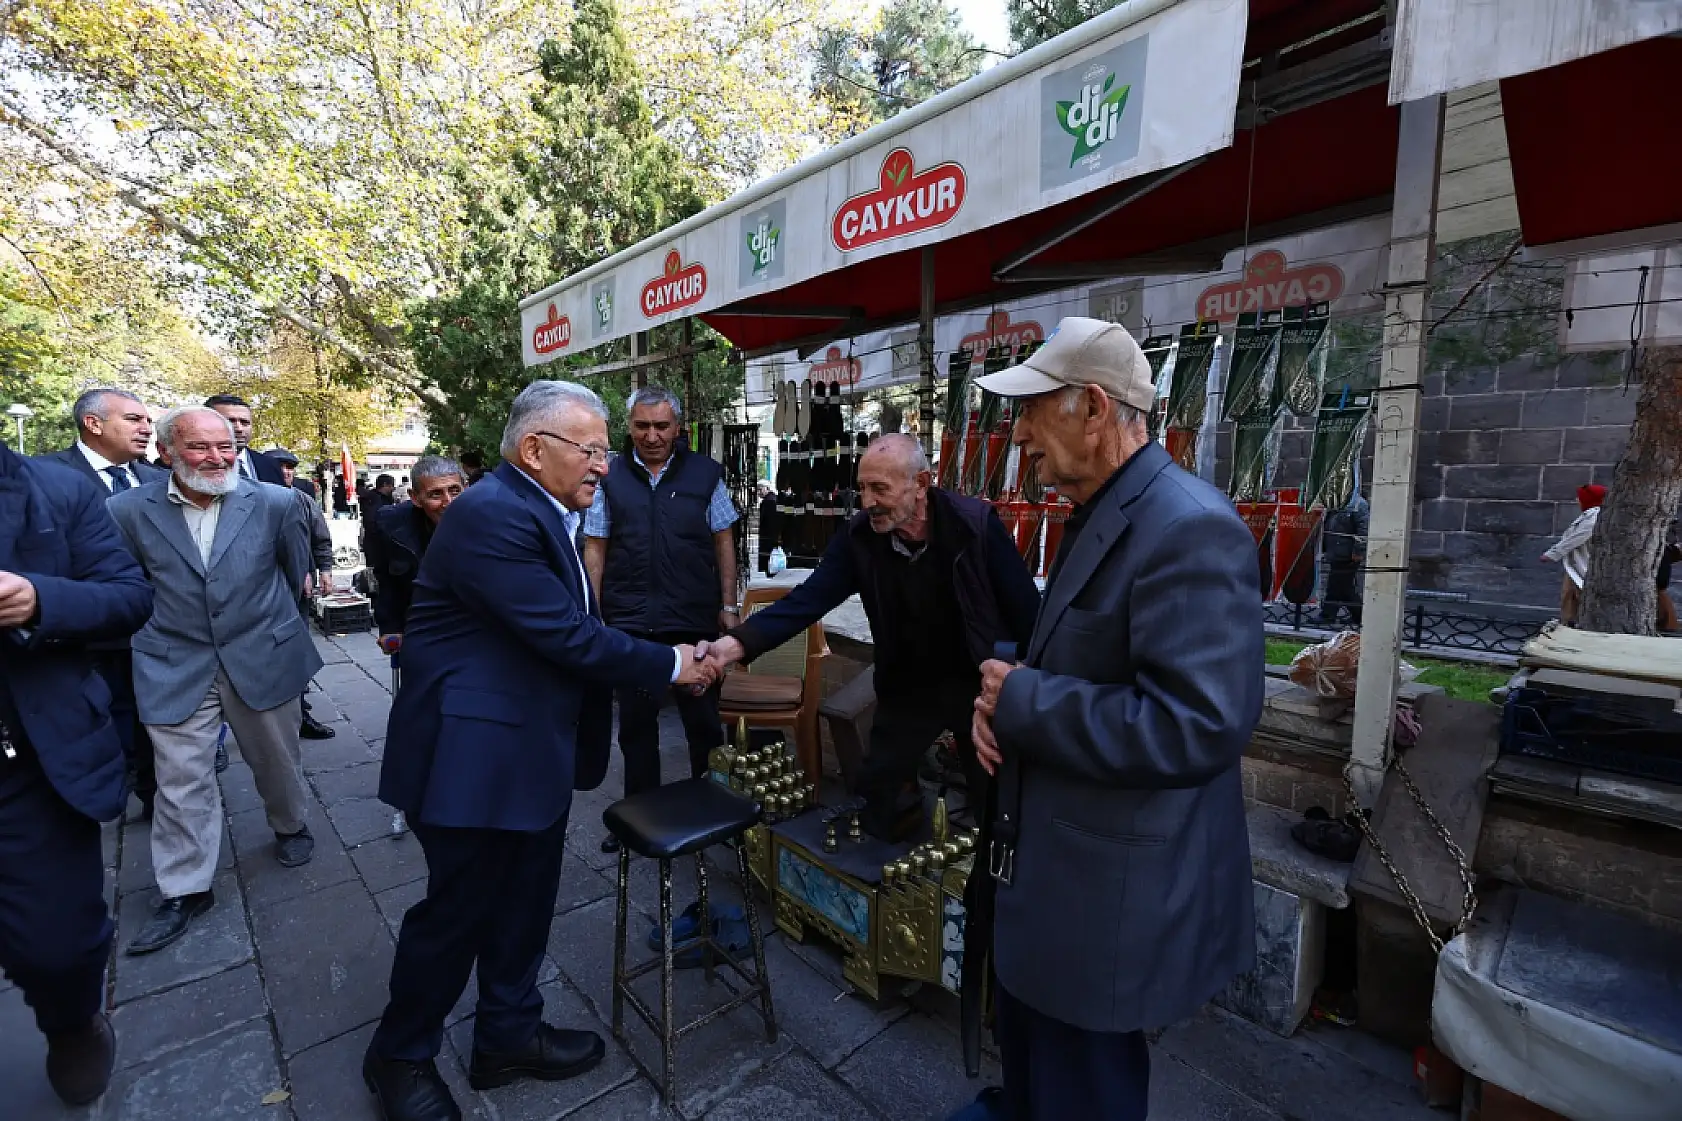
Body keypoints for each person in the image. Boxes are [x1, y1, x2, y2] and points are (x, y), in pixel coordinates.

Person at [364, 381, 718, 1121]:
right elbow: (565, 633)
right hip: (471, 757)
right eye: (590, 448)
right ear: (534, 448)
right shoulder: (491, 513)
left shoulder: (548, 508)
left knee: (525, 904)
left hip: (529, 750)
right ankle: (398, 1055)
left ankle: (507, 1033)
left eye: (602, 447)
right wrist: (674, 663)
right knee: (458, 913)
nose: (603, 462)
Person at [958, 317, 1263, 1121]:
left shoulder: (1189, 525)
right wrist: (1005, 697)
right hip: (1058, 890)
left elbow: (1198, 722)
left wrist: (1023, 700)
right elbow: (1078, 654)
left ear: (1093, 408)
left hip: (1106, 908)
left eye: (1034, 409)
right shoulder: (1101, 507)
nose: (1019, 432)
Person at [701, 433, 1040, 841]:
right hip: (909, 683)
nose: (867, 501)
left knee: (996, 800)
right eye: (862, 488)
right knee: (877, 789)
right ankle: (881, 878)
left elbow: (1027, 615)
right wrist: (731, 646)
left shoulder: (975, 526)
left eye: (880, 489)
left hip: (977, 684)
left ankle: (992, 890)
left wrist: (1018, 681)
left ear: (921, 484)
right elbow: (807, 601)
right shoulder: (860, 537)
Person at [107, 407, 322, 955]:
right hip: (173, 662)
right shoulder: (126, 510)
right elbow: (125, 586)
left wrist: (276, 633)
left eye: (224, 446)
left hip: (262, 657)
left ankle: (290, 825)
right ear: (167, 453)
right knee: (180, 780)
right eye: (200, 447)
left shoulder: (276, 502)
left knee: (276, 759)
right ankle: (184, 887)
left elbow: (294, 576)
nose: (217, 457)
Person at [0, 439, 153, 1106]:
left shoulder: (55, 492)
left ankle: (71, 1021)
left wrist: (39, 600)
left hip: (27, 763)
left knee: (56, 945)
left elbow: (127, 597)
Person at [581, 385, 739, 854]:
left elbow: (724, 540)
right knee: (636, 727)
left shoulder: (706, 474)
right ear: (629, 428)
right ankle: (638, 816)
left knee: (704, 724)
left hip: (692, 621)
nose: (652, 435)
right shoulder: (608, 476)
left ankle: (712, 809)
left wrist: (728, 606)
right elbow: (595, 544)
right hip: (631, 624)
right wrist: (595, 613)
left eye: (661, 426)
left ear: (678, 427)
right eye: (642, 426)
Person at [41, 387, 168, 818]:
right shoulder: (45, 478)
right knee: (103, 724)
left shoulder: (158, 480)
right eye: (134, 419)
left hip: (158, 629)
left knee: (158, 724)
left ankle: (156, 798)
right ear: (93, 424)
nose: (146, 428)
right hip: (87, 637)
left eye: (147, 420)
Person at [270, 448, 339, 741]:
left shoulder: (302, 500)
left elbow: (320, 539)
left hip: (298, 591)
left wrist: (322, 570)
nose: (286, 472)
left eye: (290, 468)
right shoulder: (253, 500)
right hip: (263, 594)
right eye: (280, 467)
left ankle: (299, 712)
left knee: (296, 653)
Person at [372, 455, 466, 645]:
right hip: (422, 625)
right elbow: (387, 580)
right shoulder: (393, 527)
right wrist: (390, 628)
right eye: (436, 494)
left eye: (455, 491)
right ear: (415, 497)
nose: (448, 502)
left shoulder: (486, 519)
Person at [1543, 483, 1605, 626]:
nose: (1577, 500)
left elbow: (1576, 538)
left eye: (1580, 498)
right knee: (1569, 596)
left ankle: (1575, 626)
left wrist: (1552, 554)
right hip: (1577, 563)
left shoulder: (1593, 517)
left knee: (1577, 596)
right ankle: (1569, 624)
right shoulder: (1590, 516)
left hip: (1582, 564)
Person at [204, 394, 287, 485]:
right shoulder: (194, 464)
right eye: (229, 421)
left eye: (245, 422)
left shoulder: (271, 465)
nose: (239, 429)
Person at [1319, 489, 1369, 625]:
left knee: (1340, 585)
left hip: (1348, 553)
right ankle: (1357, 616)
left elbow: (1364, 529)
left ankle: (1328, 615)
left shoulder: (1359, 504)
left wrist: (1358, 551)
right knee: (1340, 585)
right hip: (1336, 551)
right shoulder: (1336, 502)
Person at [755, 479, 780, 576]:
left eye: (760, 490)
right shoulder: (771, 500)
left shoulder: (769, 502)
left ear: (767, 488)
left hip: (768, 536)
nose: (758, 493)